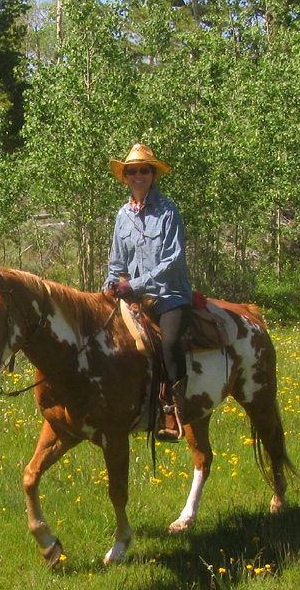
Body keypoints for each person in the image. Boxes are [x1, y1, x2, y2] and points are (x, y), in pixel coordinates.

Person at [103, 143, 193, 442]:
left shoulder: (168, 210)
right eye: (132, 171)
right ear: (125, 177)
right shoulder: (123, 215)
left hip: (169, 294)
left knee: (169, 343)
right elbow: (116, 263)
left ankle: (173, 410)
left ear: (153, 175)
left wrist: (134, 285)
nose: (138, 175)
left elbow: (173, 261)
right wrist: (110, 286)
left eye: (144, 170)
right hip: (133, 297)